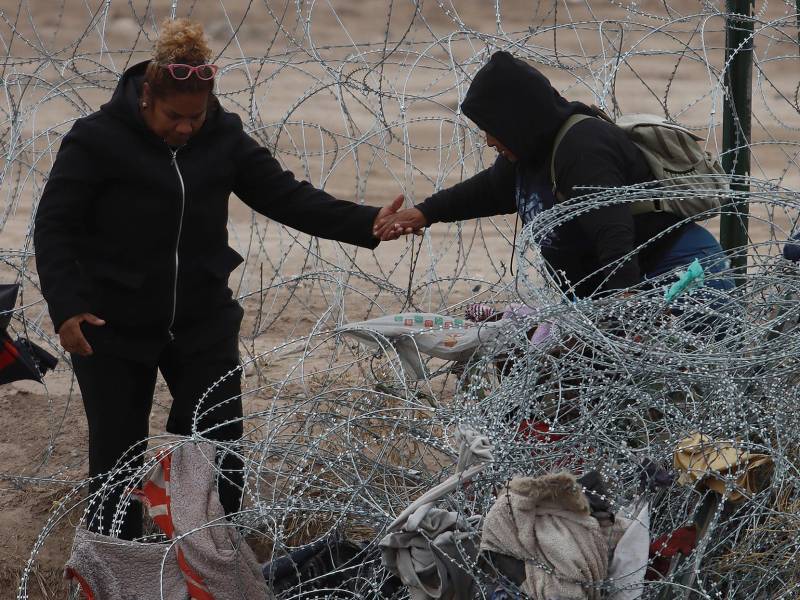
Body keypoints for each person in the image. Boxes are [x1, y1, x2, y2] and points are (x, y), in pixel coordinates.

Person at [34, 19, 402, 540]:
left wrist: (365, 223)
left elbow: (284, 195)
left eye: (196, 116)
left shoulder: (221, 136)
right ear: (145, 98)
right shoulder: (96, 140)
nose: (186, 128)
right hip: (112, 325)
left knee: (219, 447)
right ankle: (115, 562)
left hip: (202, 322)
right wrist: (66, 306)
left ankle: (209, 554)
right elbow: (53, 225)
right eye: (173, 117)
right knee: (116, 462)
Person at [374, 51, 733, 299]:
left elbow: (614, 233)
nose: (488, 140)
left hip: (674, 282)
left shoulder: (581, 148)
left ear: (517, 119)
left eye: (491, 128)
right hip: (616, 292)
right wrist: (424, 212)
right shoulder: (531, 153)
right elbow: (489, 190)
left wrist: (625, 311)